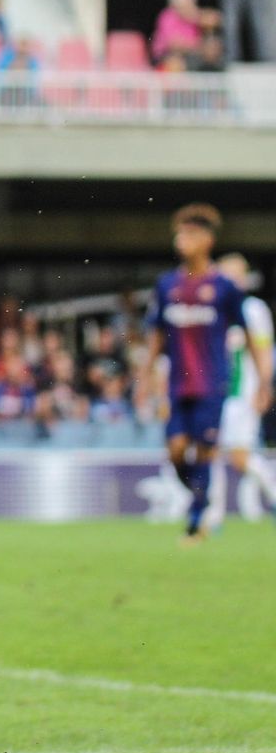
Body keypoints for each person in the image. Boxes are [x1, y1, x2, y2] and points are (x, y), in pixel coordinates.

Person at [140, 204, 249, 543]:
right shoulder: (167, 285)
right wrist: (144, 379)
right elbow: (156, 336)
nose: (180, 239)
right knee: (175, 451)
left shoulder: (224, 287)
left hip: (212, 383)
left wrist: (260, 381)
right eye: (179, 233)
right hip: (177, 385)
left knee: (204, 451)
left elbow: (249, 334)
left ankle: (195, 522)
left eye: (189, 234)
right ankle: (201, 499)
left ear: (207, 240)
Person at [206, 253, 276, 527]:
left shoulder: (253, 309)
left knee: (239, 457)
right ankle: (213, 516)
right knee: (210, 450)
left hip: (242, 394)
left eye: (236, 275)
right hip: (214, 393)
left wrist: (264, 385)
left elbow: (263, 349)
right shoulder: (213, 308)